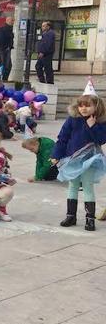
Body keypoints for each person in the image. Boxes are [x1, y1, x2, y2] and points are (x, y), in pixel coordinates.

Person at [52, 93, 106, 231]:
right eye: (81, 105)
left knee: (87, 186)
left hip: (90, 159)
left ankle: (90, 219)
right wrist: (56, 154)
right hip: (73, 158)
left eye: (88, 105)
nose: (84, 108)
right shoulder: (72, 119)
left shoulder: (100, 121)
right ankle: (71, 216)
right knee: (73, 186)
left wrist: (92, 126)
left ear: (96, 106)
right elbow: (62, 138)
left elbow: (101, 140)